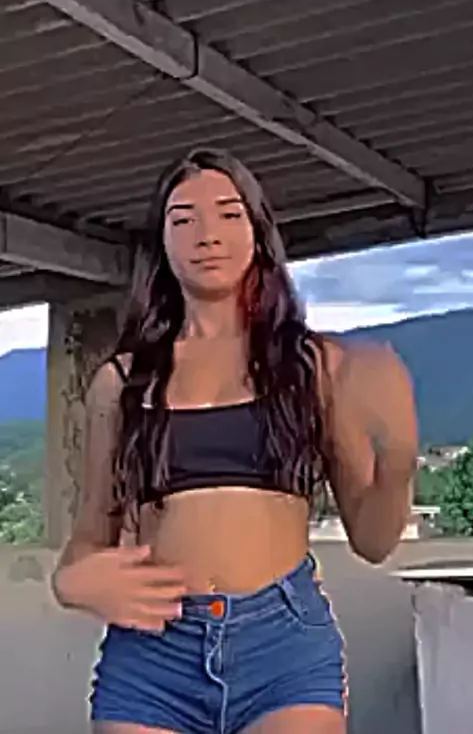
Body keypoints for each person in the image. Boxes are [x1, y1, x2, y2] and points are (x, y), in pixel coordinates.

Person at [52, 148, 418, 734]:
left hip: (284, 647)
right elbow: (89, 539)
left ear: (258, 233)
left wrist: (397, 458)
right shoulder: (120, 382)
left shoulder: (313, 366)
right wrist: (72, 582)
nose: (207, 234)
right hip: (153, 654)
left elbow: (373, 541)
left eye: (228, 214)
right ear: (161, 244)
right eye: (183, 219)